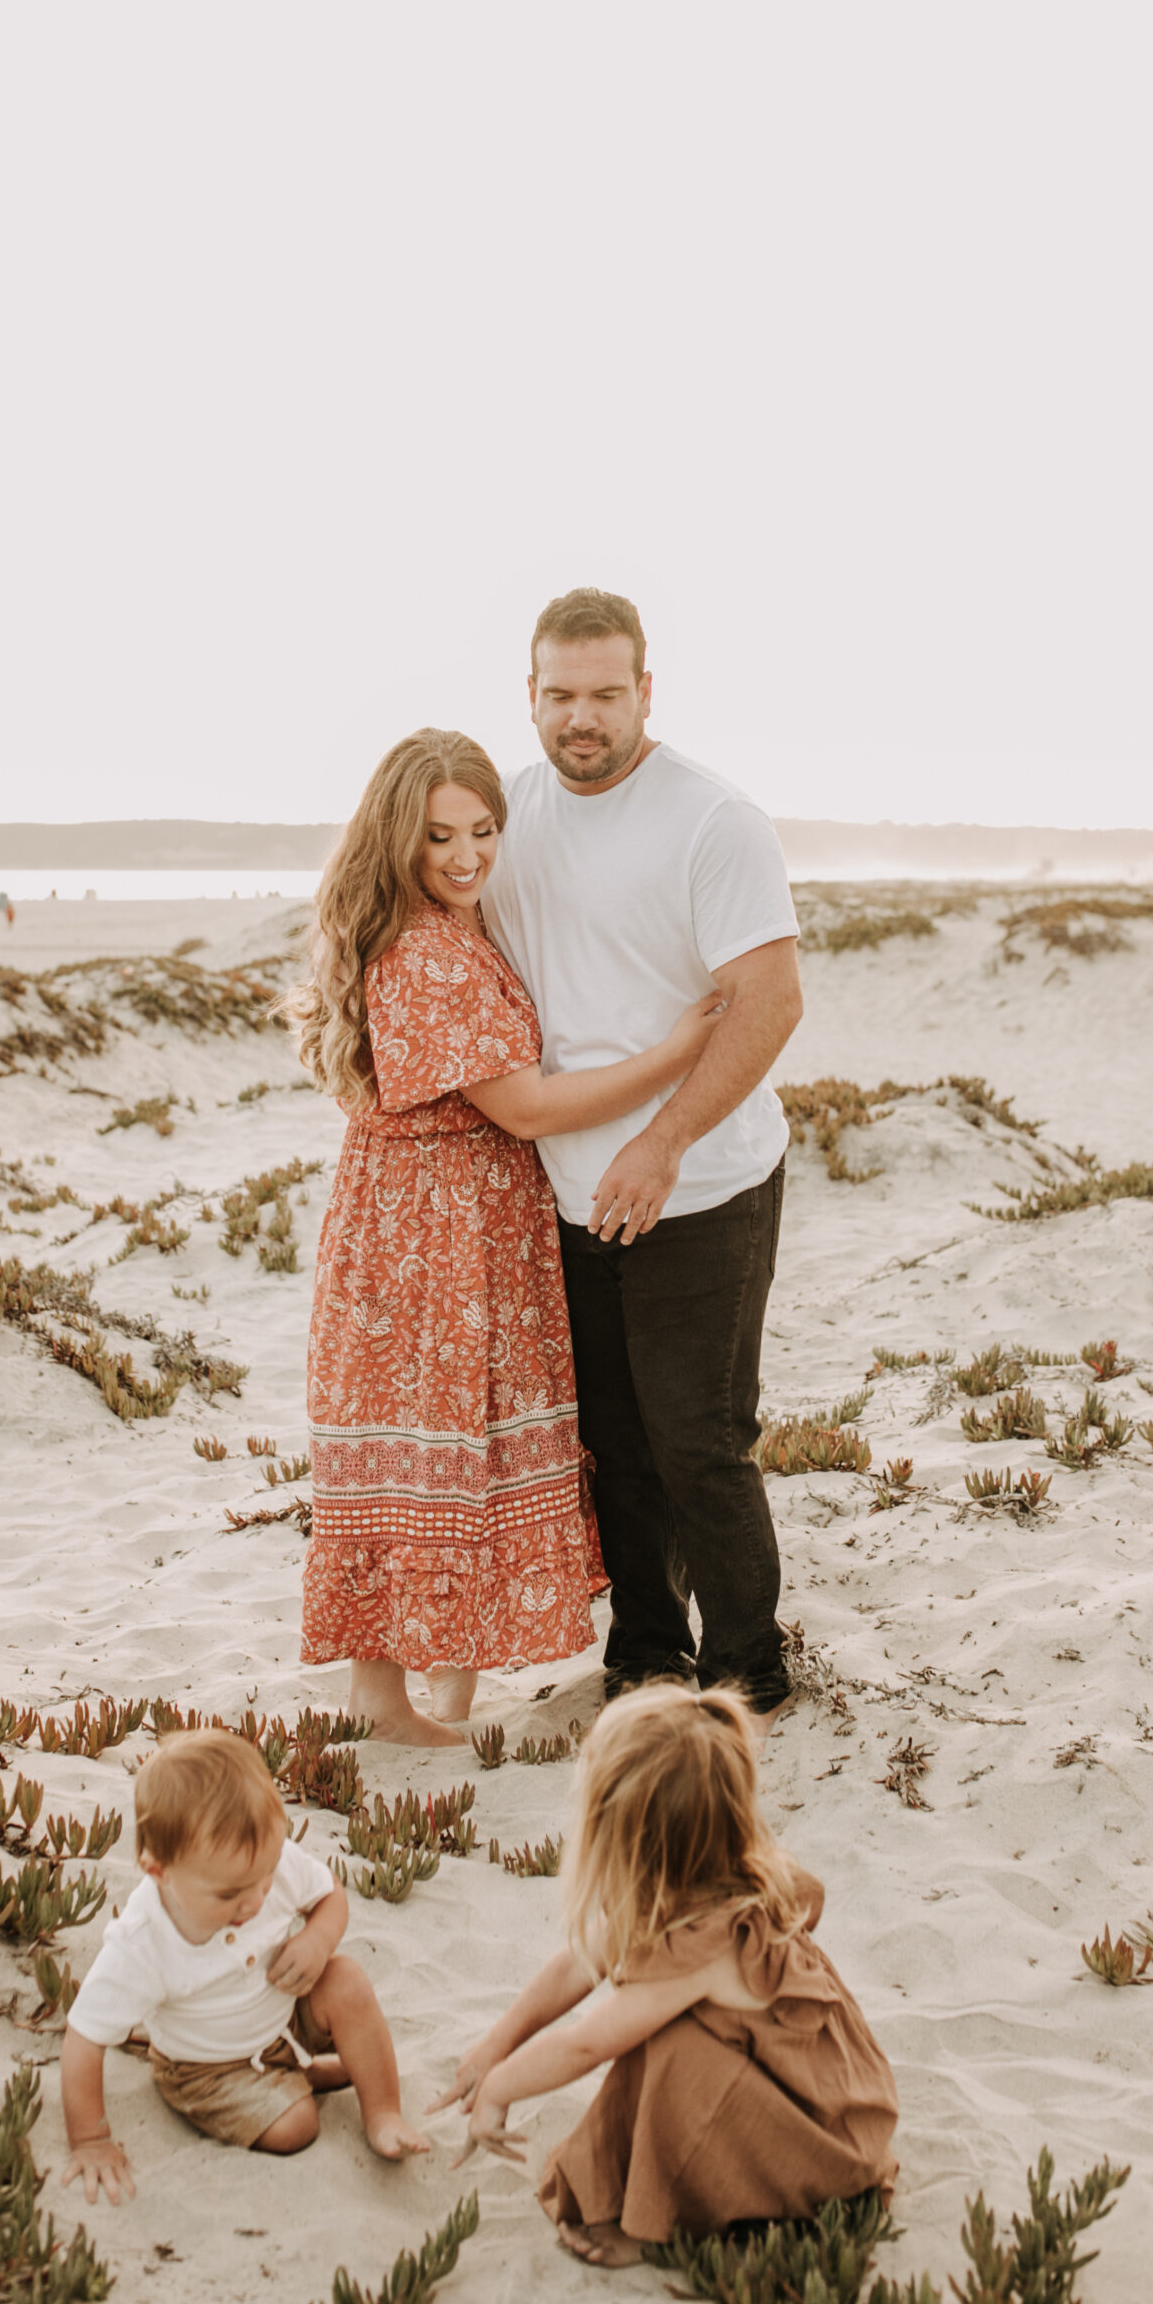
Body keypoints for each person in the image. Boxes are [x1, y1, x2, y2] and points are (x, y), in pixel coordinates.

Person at [288, 729, 722, 1749]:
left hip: (458, 1219)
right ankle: (380, 1698)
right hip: (426, 1230)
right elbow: (524, 1108)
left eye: (484, 829)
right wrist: (675, 1052)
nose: (466, 853)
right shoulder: (424, 950)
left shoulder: (453, 925)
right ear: (399, 838)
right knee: (423, 1446)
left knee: (458, 1441)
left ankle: (445, 1687)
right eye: (439, 835)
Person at [481, 588, 804, 1719]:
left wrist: (663, 1143)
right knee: (612, 1440)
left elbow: (769, 1001)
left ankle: (748, 1662)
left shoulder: (712, 821)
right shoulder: (506, 815)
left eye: (604, 694)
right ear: (528, 695)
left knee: (698, 1436)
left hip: (702, 1184)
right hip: (567, 1192)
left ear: (644, 692)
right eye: (559, 694)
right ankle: (647, 1650)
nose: (582, 717)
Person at [433, 1685, 898, 2264]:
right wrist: (494, 2047)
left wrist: (502, 2087)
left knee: (670, 2049)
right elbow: (579, 1964)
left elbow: (586, 2045)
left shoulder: (710, 1936)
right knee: (673, 2044)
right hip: (811, 2098)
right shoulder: (697, 1878)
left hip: (821, 2144)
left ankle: (656, 2226)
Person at [60, 1728, 426, 2196]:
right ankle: (300, 2077)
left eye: (266, 1878)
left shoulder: (261, 1862)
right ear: (159, 1871)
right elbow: (84, 2039)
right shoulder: (143, 1941)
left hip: (281, 2017)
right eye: (229, 1894)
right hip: (207, 2068)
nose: (256, 1901)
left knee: (346, 1978)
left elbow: (329, 1897)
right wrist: (89, 2140)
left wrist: (317, 1939)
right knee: (297, 2128)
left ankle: (382, 2112)